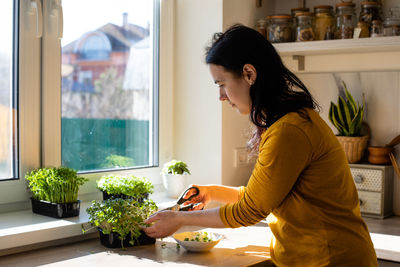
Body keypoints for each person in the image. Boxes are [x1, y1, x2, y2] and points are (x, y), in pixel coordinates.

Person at [143, 25, 378, 266]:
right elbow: (263, 196)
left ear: (249, 74)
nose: (221, 96)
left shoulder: (289, 130)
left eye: (222, 84)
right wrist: (212, 192)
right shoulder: (286, 122)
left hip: (332, 259)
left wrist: (180, 220)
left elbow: (250, 210)